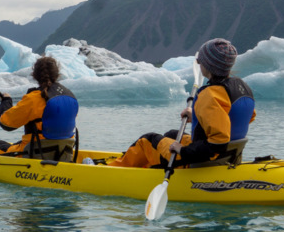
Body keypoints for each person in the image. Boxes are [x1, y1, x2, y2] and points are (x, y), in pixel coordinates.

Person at [107, 38, 256, 168]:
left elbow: (218, 143)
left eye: (201, 60)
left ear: (208, 65)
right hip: (230, 155)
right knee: (172, 134)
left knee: (147, 140)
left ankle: (112, 170)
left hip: (203, 160)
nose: (198, 63)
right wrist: (199, 115)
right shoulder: (242, 87)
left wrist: (183, 151)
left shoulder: (210, 94)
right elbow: (241, 118)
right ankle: (154, 163)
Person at [0, 56, 78, 157]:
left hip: (36, 152)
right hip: (63, 152)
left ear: (35, 75)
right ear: (57, 74)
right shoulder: (70, 96)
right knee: (2, 144)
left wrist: (6, 102)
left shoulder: (35, 98)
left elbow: (6, 123)